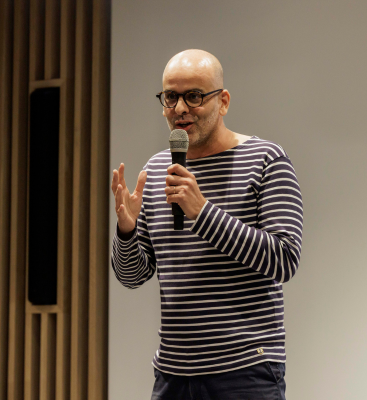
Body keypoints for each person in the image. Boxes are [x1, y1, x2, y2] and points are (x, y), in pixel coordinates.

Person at [111, 49, 303, 400]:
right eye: (171, 97)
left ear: (223, 101)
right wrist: (126, 231)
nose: (180, 108)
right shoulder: (156, 170)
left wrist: (202, 212)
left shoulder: (266, 159)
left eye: (194, 96)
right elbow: (131, 276)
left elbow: (284, 259)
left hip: (246, 371)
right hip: (172, 374)